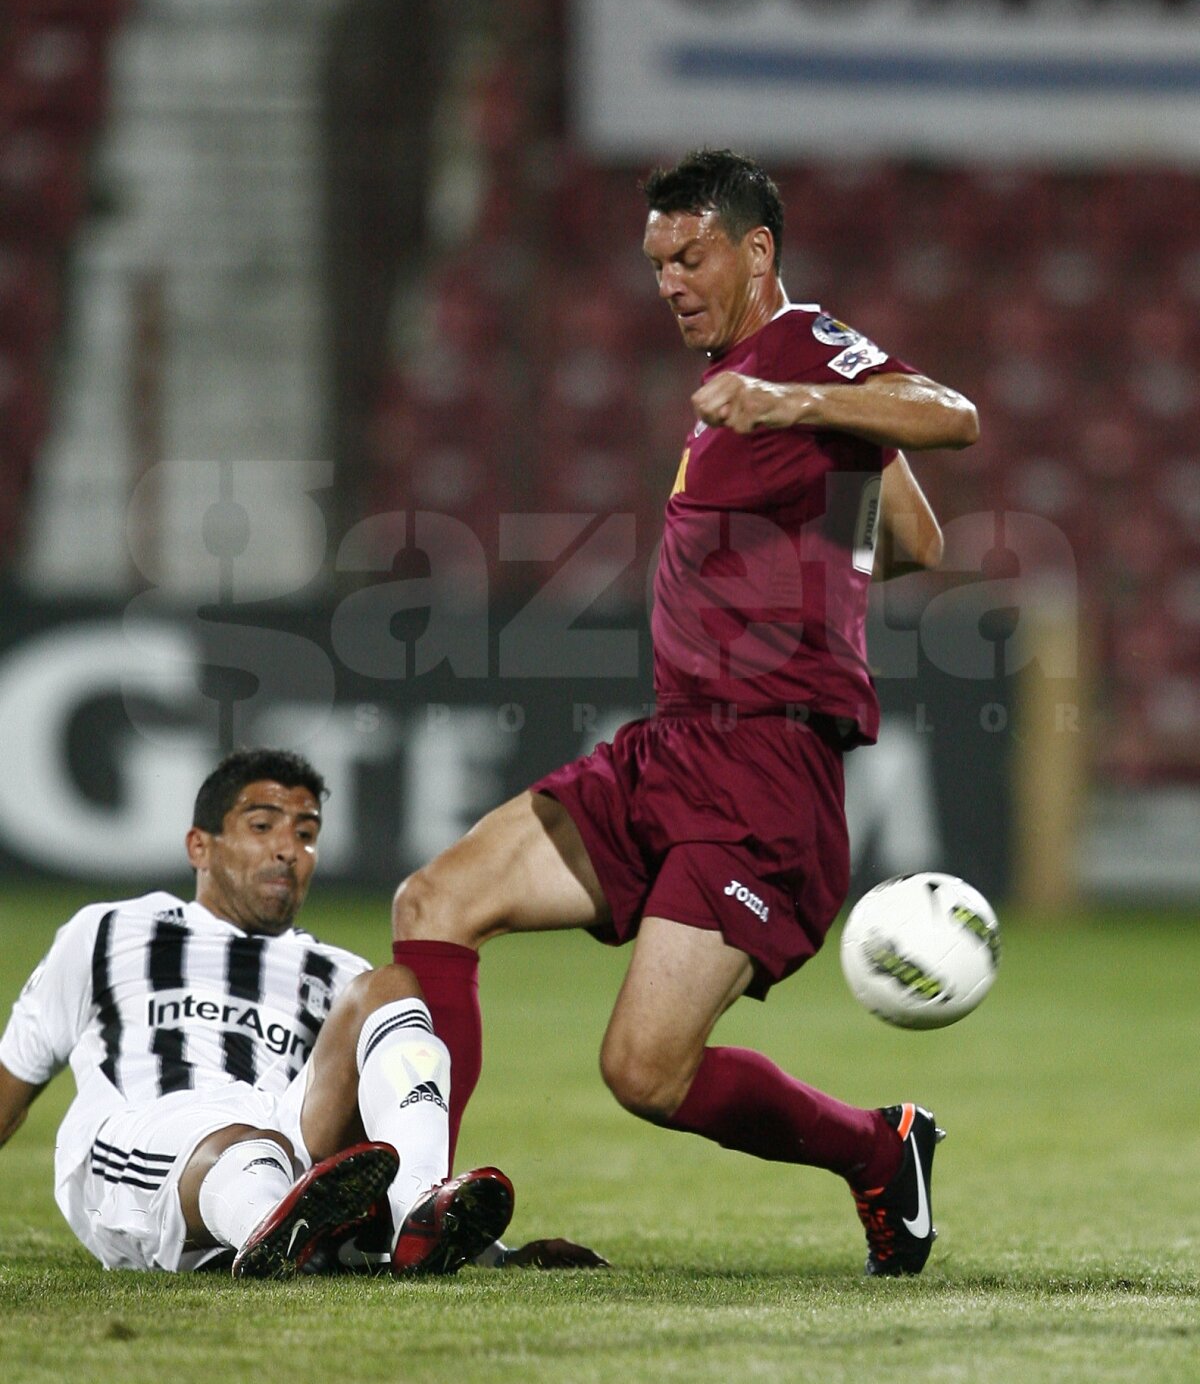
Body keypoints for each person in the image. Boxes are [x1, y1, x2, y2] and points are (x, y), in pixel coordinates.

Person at [391, 149, 980, 1276]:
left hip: (764, 771)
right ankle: (422, 1209)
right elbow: (917, 541)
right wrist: (830, 527)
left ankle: (878, 1147)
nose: (669, 279)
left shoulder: (796, 351)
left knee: (644, 1073)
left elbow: (951, 415)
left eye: (690, 253)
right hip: (669, 746)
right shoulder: (744, 381)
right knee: (437, 899)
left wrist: (797, 403)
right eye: (656, 259)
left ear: (757, 250)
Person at [0, 747, 603, 1278]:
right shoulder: (107, 933)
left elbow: (360, 1122)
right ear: (200, 845)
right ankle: (279, 1225)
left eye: (307, 833)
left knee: (389, 986)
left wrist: (500, 1253)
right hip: (144, 1141)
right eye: (262, 825)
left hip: (288, 1154)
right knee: (244, 1145)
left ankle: (416, 1214)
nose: (289, 849)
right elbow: (13, 1083)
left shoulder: (335, 970)